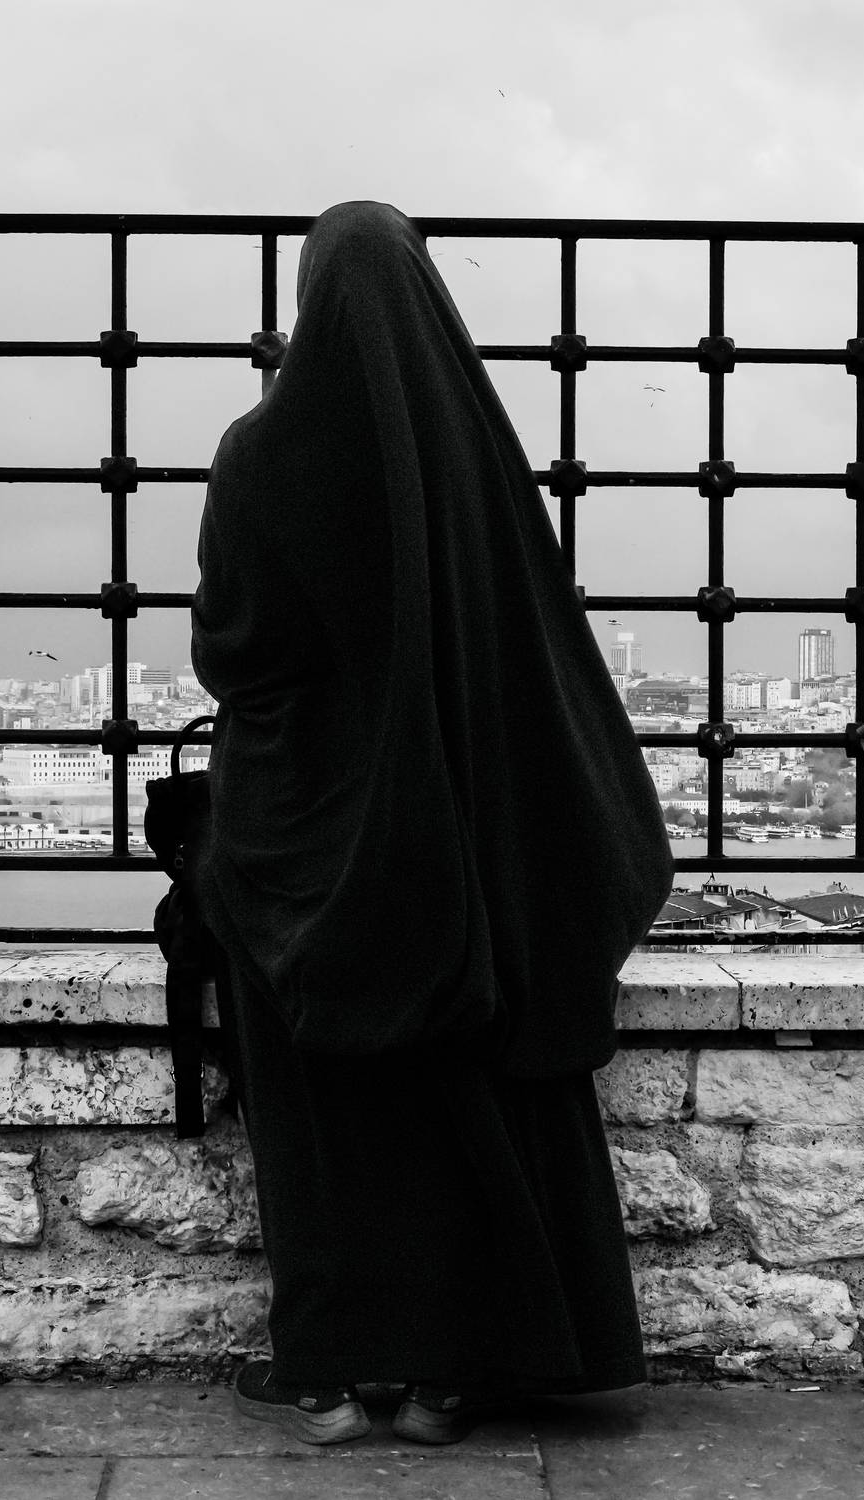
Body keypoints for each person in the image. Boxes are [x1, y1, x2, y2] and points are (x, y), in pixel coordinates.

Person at [190, 200, 674, 1446]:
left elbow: (236, 650)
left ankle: (334, 1372)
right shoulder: (475, 450)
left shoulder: (257, 453)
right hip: (467, 832)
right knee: (471, 1081)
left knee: (318, 1101)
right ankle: (457, 1373)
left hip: (310, 835)